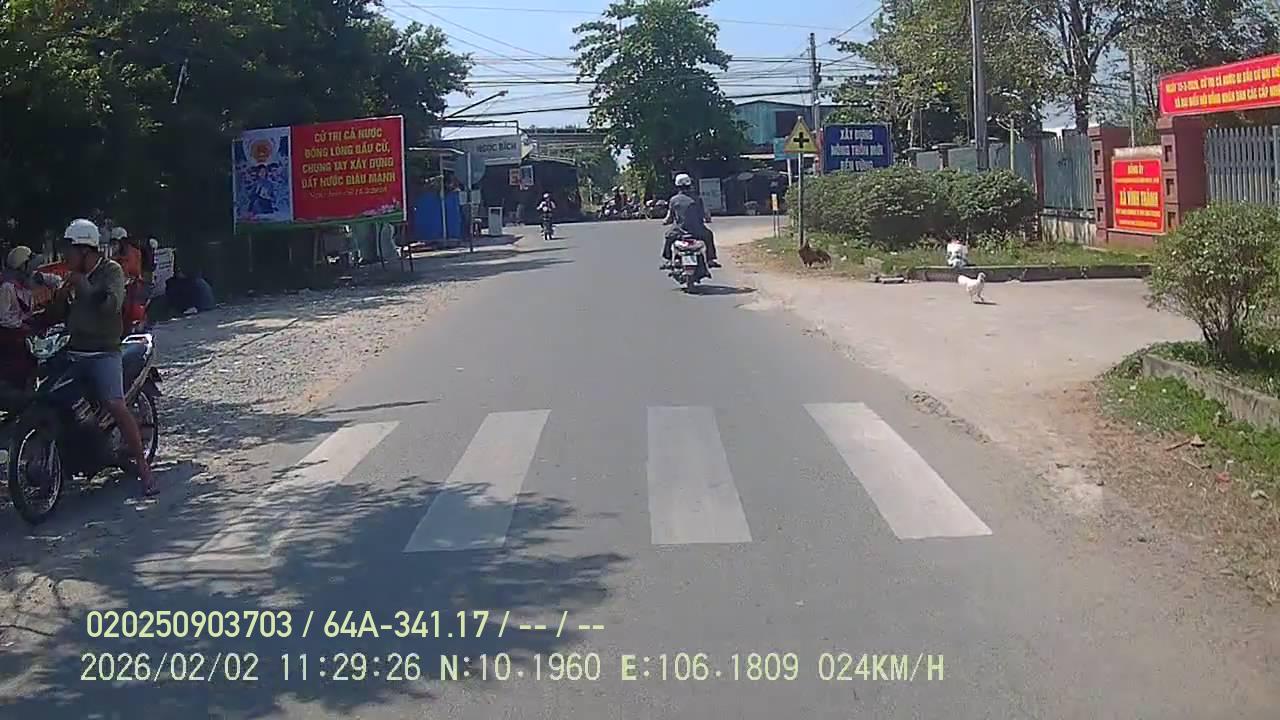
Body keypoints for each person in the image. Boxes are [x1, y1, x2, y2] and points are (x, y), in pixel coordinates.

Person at [45, 219, 156, 495]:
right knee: (47, 390)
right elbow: (57, 315)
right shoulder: (72, 275)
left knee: (114, 403)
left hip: (103, 352)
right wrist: (60, 296)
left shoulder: (111, 271)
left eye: (70, 250)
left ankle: (144, 470)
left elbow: (110, 306)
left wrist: (83, 285)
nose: (66, 256)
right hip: (74, 350)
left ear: (85, 250)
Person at [0, 246, 60, 393]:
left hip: (26, 328)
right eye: (29, 265)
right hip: (11, 333)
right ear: (22, 266)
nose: (33, 269)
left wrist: (46, 280)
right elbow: (4, 317)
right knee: (19, 368)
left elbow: (57, 281)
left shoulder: (29, 279)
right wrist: (22, 325)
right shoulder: (7, 287)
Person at [661, 173, 719, 268]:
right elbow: (706, 214)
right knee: (709, 235)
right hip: (698, 231)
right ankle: (710, 259)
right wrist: (708, 219)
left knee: (668, 236)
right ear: (690, 184)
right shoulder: (698, 199)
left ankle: (668, 260)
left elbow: (669, 217)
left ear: (677, 185)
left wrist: (665, 222)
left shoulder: (673, 200)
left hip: (679, 231)